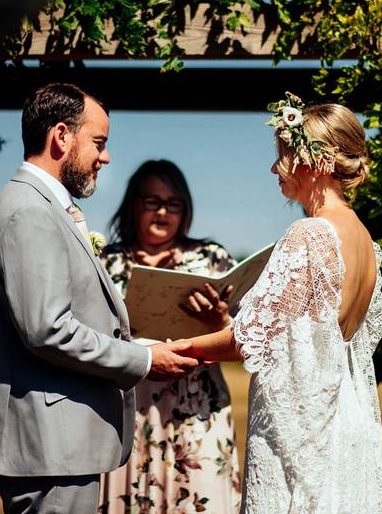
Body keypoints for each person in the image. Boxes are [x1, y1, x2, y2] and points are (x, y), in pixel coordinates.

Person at [0, 83, 201, 514]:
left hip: (57, 442)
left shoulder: (42, 206)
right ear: (61, 137)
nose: (105, 157)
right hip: (49, 445)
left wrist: (138, 345)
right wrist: (144, 362)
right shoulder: (30, 212)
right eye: (99, 142)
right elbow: (47, 329)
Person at [186, 93, 382, 513]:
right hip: (346, 425)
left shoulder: (310, 235)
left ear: (314, 162)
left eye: (283, 156)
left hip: (302, 432)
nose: (274, 168)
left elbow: (252, 339)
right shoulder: (368, 244)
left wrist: (177, 350)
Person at [97, 160, 242, 513]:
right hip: (129, 412)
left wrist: (220, 318)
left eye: (173, 203)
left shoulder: (211, 259)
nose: (162, 212)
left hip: (197, 411)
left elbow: (245, 344)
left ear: (186, 208)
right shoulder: (105, 261)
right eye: (152, 201)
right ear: (134, 204)